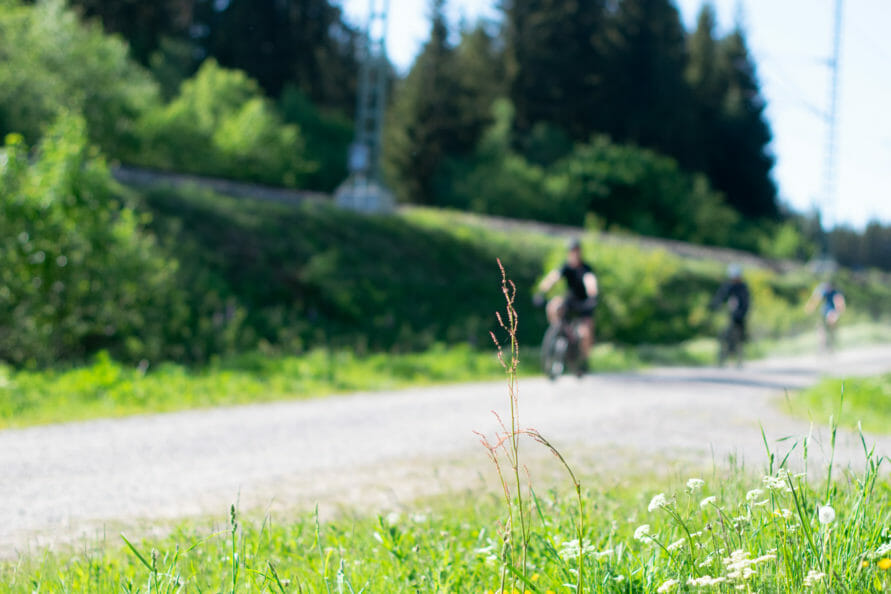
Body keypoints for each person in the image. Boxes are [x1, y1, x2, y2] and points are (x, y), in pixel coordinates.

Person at [535, 238, 598, 373]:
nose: (573, 254)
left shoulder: (586, 268)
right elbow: (553, 278)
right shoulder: (566, 267)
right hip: (570, 300)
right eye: (571, 251)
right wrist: (541, 291)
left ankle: (583, 360)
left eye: (576, 251)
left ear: (580, 252)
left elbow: (590, 282)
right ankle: (556, 330)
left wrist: (592, 296)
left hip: (584, 303)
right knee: (554, 305)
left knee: (585, 334)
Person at [710, 264, 750, 366]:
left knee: (741, 335)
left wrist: (742, 312)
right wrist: (715, 304)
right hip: (730, 313)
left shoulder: (743, 287)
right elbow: (721, 296)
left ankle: (739, 357)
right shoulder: (728, 285)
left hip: (740, 314)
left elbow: (746, 302)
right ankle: (723, 357)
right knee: (725, 334)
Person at [805, 280, 846, 351]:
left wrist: (838, 311)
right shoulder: (824, 291)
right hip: (825, 312)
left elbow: (839, 303)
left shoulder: (836, 293)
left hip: (832, 312)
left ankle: (831, 345)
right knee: (821, 329)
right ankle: (823, 346)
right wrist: (810, 307)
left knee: (831, 327)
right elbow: (816, 299)